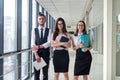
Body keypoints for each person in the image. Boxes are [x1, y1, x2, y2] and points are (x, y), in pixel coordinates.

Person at [31, 12, 51, 80]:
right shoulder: (34, 30)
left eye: (43, 19)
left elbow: (49, 43)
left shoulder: (49, 30)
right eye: (40, 19)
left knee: (45, 75)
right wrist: (36, 55)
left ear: (45, 20)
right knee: (36, 75)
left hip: (46, 55)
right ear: (37, 20)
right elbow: (33, 44)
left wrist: (38, 46)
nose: (41, 20)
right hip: (37, 55)